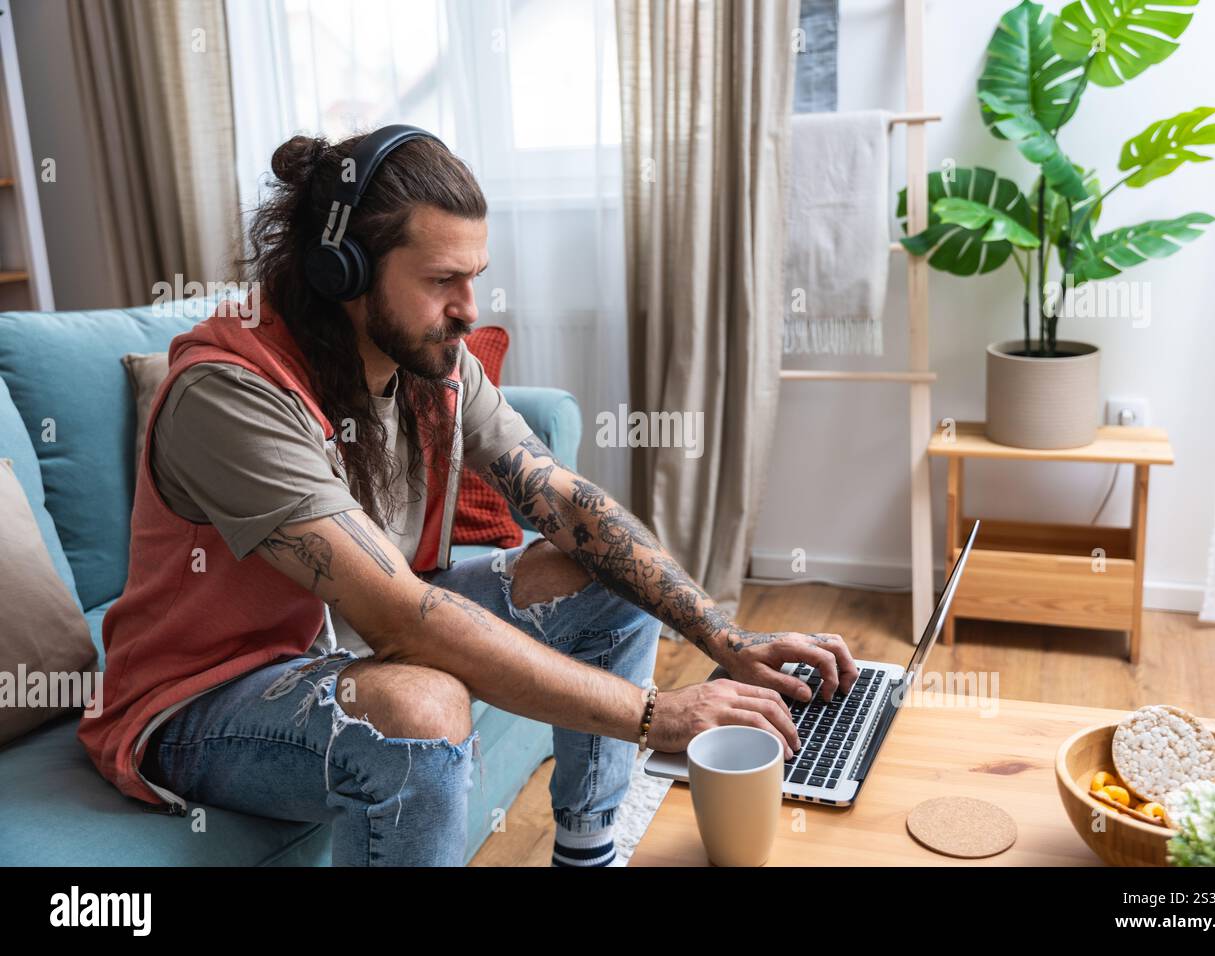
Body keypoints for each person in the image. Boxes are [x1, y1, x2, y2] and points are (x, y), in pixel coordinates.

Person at [78, 128, 857, 867]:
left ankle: (587, 848)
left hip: (347, 638)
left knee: (603, 571)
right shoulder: (231, 394)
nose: (470, 308)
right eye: (441, 281)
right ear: (341, 272)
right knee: (422, 709)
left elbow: (566, 502)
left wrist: (727, 640)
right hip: (203, 700)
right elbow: (401, 618)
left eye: (474, 277)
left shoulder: (430, 363)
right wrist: (659, 715)